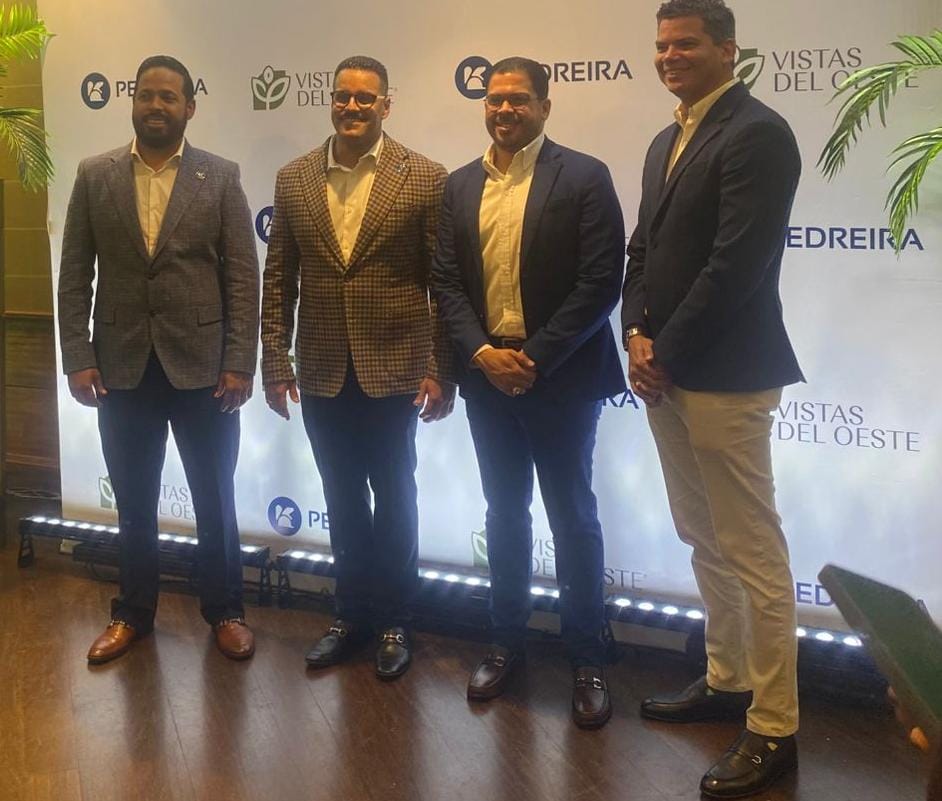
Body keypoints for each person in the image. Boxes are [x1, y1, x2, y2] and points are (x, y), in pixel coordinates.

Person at [622, 0, 804, 795]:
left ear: (728, 50)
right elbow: (642, 250)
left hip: (727, 374)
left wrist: (663, 349)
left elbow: (736, 265)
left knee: (752, 551)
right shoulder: (667, 137)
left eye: (686, 44)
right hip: (667, 371)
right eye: (662, 45)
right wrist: (635, 332)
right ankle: (728, 678)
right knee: (702, 535)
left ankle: (775, 724)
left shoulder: (758, 133)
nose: (669, 56)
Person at [431, 56, 626, 728]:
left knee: (573, 517)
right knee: (505, 515)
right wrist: (483, 354)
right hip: (488, 378)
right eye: (494, 99)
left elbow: (601, 281)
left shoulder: (585, 176)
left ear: (545, 105)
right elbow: (446, 282)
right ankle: (505, 643)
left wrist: (534, 357)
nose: (504, 109)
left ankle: (587, 658)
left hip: (561, 376)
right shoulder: (459, 185)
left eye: (518, 99)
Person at [58, 55, 260, 664]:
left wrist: (239, 361)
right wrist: (77, 357)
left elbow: (242, 277)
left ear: (189, 107)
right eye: (146, 94)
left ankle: (225, 611)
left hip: (205, 370)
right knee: (133, 499)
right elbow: (74, 275)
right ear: (133, 101)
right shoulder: (94, 175)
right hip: (121, 368)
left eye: (168, 97)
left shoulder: (219, 177)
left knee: (214, 498)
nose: (155, 105)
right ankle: (133, 613)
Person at [260, 55, 456, 680]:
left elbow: (443, 283)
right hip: (320, 368)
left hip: (395, 367)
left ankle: (396, 621)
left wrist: (440, 367)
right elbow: (278, 277)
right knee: (341, 497)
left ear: (386, 105)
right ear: (331, 100)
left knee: (395, 497)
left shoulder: (424, 176)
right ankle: (350, 615)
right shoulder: (294, 178)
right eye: (343, 96)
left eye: (365, 98)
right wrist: (274, 360)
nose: (352, 106)